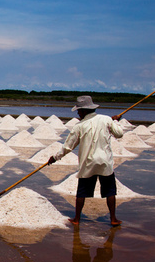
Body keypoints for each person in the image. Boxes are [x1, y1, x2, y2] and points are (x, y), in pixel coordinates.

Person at [48, 95, 124, 226]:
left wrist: (55, 157)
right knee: (110, 191)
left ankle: (77, 219)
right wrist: (115, 121)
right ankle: (113, 219)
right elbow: (119, 133)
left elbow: (68, 146)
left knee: (82, 191)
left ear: (83, 111)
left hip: (88, 163)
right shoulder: (106, 119)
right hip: (105, 161)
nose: (78, 113)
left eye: (78, 110)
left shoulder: (79, 126)